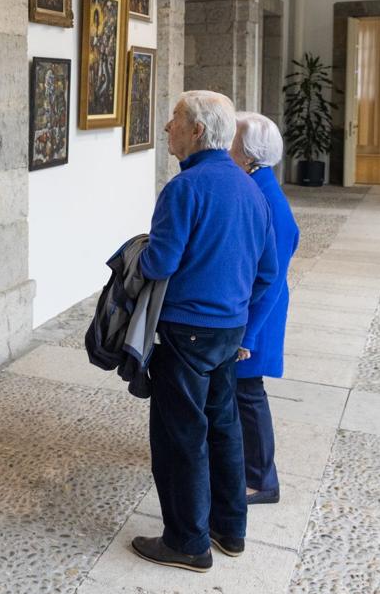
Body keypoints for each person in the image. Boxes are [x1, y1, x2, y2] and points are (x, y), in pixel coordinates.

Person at [130, 91, 278, 573]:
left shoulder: (185, 189)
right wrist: (240, 318)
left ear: (196, 131)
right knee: (224, 429)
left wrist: (136, 252)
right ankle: (229, 529)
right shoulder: (249, 188)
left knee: (180, 436)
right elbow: (268, 272)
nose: (166, 127)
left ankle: (187, 542)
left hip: (185, 331)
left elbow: (160, 262)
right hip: (227, 330)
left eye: (174, 119)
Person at [229, 112, 300, 506]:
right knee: (241, 391)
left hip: (260, 315)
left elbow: (272, 275)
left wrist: (248, 335)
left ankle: (261, 481)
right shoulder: (258, 187)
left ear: (247, 153)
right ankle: (247, 468)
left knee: (248, 391)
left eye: (232, 140)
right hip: (254, 312)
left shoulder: (267, 198)